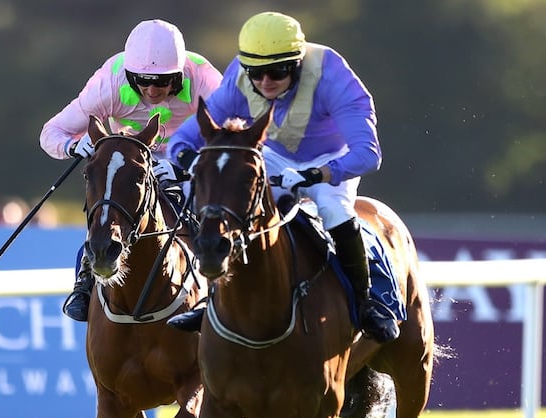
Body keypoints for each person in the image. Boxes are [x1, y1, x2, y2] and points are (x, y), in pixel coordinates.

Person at [164, 11, 399, 343]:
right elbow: (182, 141)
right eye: (256, 73)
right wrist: (191, 162)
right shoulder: (238, 80)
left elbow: (368, 154)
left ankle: (365, 304)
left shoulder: (332, 76)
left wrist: (316, 175)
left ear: (298, 63)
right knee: (228, 208)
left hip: (331, 160)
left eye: (277, 71)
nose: (265, 82)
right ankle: (215, 300)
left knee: (334, 211)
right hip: (272, 156)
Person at [39, 19, 222, 322]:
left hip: (186, 152)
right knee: (108, 205)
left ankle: (217, 288)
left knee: (210, 205)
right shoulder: (107, 85)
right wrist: (74, 147)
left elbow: (231, 137)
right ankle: (85, 280)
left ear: (179, 74)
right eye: (142, 79)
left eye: (162, 82)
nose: (152, 90)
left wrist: (189, 168)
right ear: (129, 74)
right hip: (129, 158)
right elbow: (50, 133)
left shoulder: (204, 79)